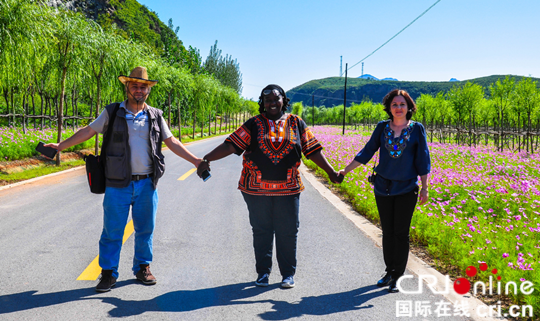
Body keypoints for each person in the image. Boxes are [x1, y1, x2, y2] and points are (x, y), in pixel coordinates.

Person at [45, 67, 202, 292]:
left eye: (143, 86)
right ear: (127, 87)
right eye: (135, 85)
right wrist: (61, 146)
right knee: (112, 230)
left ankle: (142, 268)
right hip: (117, 184)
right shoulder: (112, 112)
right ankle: (108, 273)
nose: (139, 90)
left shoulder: (155, 115)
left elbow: (172, 141)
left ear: (148, 90)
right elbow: (88, 131)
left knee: (145, 228)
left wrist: (195, 161)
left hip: (147, 183)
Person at [197, 84, 342, 288]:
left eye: (276, 99)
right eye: (268, 100)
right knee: (262, 230)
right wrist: (207, 158)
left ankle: (288, 274)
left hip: (289, 189)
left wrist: (330, 171)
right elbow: (231, 145)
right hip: (256, 190)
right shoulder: (254, 124)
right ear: (262, 103)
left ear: (284, 100)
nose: (272, 103)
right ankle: (263, 273)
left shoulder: (296, 123)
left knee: (288, 230)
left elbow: (312, 150)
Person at [339, 89, 431, 293]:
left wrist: (425, 187)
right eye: (394, 105)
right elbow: (367, 151)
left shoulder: (417, 129)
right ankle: (389, 271)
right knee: (387, 232)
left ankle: (398, 276)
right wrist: (345, 170)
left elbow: (423, 159)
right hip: (383, 187)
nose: (398, 108)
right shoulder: (382, 127)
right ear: (389, 108)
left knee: (401, 233)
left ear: (409, 107)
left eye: (402, 104)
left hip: (407, 188)